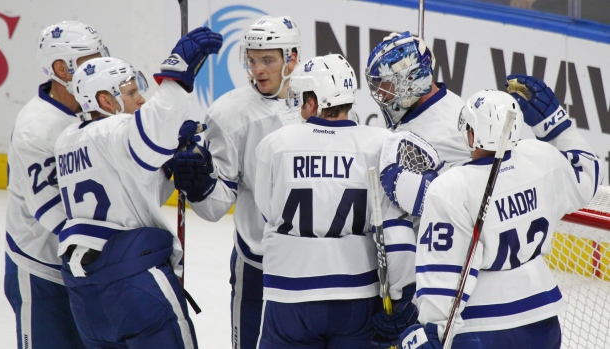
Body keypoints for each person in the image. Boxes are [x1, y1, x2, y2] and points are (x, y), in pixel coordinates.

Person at [399, 78, 601, 348]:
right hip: (544, 322)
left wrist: (433, 330)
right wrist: (556, 124)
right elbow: (587, 174)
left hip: (483, 327)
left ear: (471, 134)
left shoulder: (451, 186)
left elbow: (443, 270)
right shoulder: (540, 158)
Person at [53, 28, 222, 348]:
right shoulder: (114, 130)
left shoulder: (68, 140)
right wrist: (177, 74)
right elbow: (159, 121)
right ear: (105, 100)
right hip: (134, 285)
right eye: (131, 92)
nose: (141, 98)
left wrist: (165, 166)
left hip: (85, 296)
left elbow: (130, 193)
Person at [252, 53, 418, 348]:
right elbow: (395, 232)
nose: (298, 105)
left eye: (302, 98)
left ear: (314, 102)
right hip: (355, 299)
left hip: (289, 295)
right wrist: (401, 296)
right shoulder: (380, 144)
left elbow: (267, 210)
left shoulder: (276, 144)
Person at [172, 15, 302, 348]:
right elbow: (217, 206)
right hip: (257, 261)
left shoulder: (318, 101)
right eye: (252, 59)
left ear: (292, 58)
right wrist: (199, 185)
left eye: (268, 60)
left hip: (314, 261)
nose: (258, 69)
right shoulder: (229, 113)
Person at [4, 20, 109, 349]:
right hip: (43, 271)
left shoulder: (91, 107)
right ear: (62, 68)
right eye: (89, 60)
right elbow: (52, 214)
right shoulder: (36, 130)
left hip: (83, 270)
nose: (98, 66)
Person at [364, 31, 472, 345]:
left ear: (409, 79)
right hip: (429, 268)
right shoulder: (428, 115)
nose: (381, 95)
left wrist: (403, 300)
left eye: (385, 85)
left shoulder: (455, 122)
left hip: (448, 272)